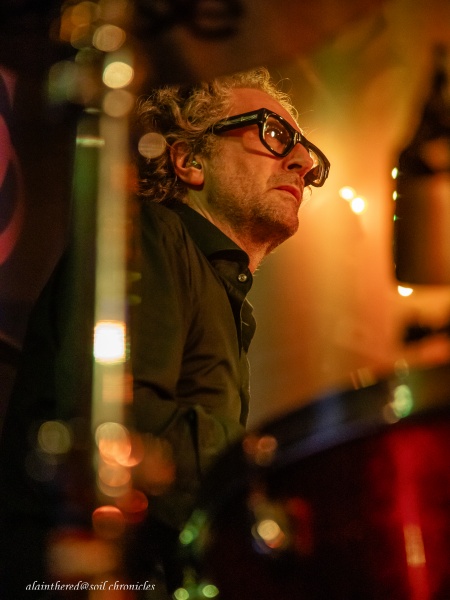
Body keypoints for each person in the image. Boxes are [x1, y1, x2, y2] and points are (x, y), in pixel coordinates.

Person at [127, 66, 330, 596]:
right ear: (190, 160)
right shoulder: (154, 236)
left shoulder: (226, 297)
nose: (304, 163)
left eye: (307, 151)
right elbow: (128, 419)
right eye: (274, 133)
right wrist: (271, 485)